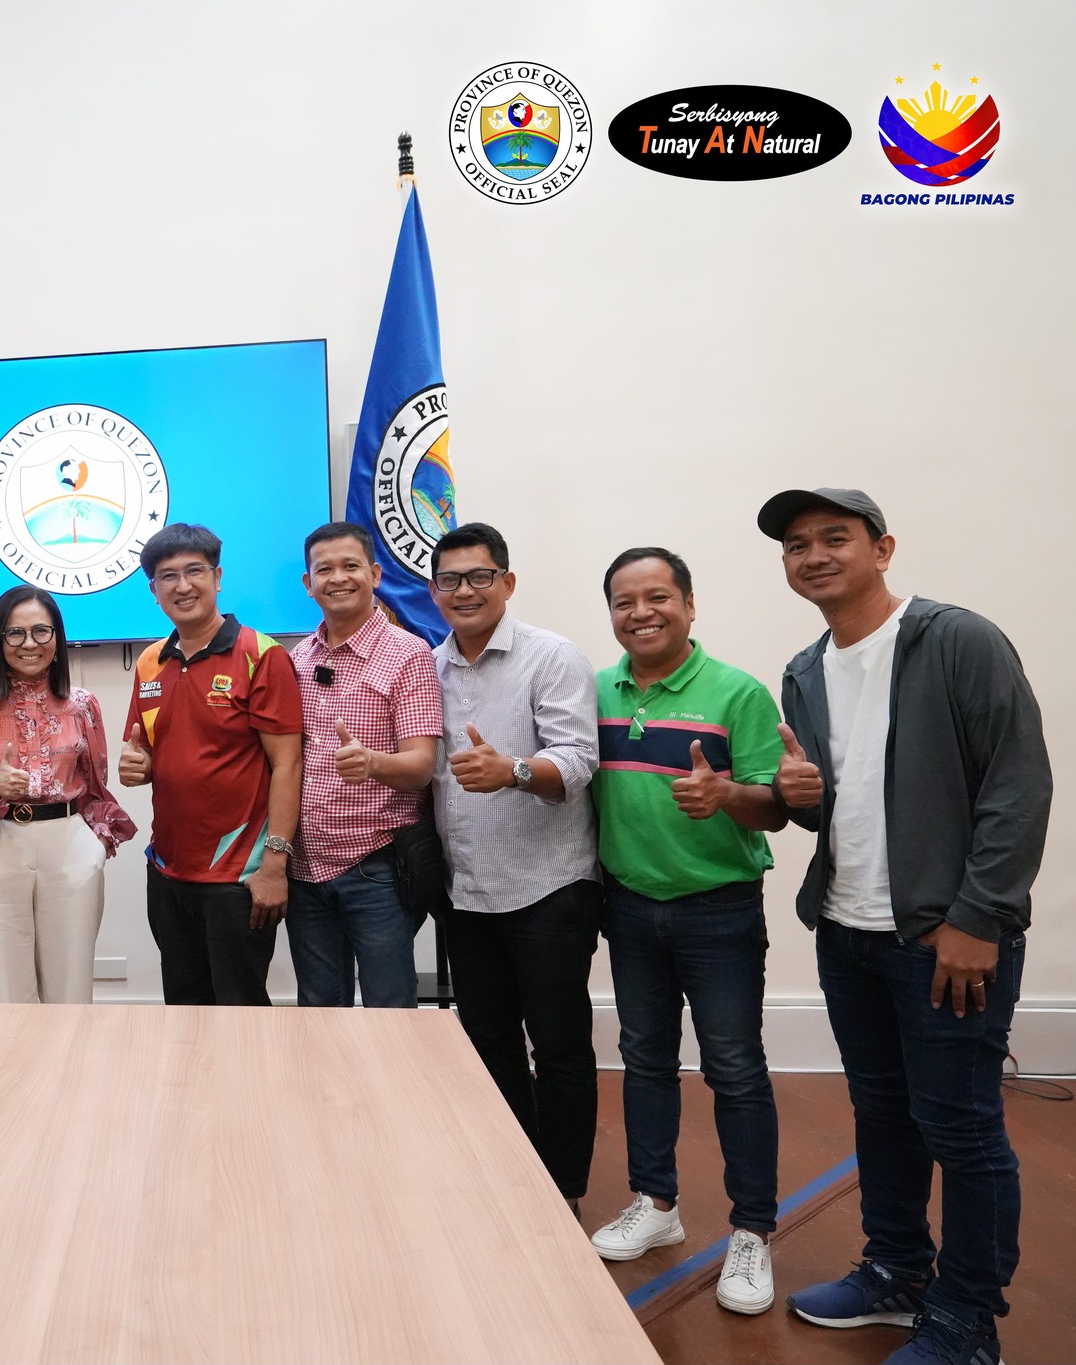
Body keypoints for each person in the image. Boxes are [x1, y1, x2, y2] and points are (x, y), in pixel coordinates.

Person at [760, 489, 1049, 1365]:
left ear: (882, 548)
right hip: (847, 931)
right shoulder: (805, 669)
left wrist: (979, 917)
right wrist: (796, 800)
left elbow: (1017, 785)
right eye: (797, 544)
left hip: (945, 936)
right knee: (882, 1112)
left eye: (834, 538)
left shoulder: (957, 639)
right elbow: (842, 810)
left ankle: (967, 1319)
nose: (813, 555)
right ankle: (896, 1270)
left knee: (960, 1127)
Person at [584, 548, 785, 1316]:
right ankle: (657, 1201)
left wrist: (726, 791)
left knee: (734, 1067)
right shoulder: (596, 690)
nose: (641, 611)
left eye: (658, 596)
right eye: (624, 600)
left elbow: (774, 807)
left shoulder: (738, 692)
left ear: (690, 604)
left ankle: (752, 1230)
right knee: (644, 1059)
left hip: (719, 909)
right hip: (629, 906)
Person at [426, 523, 602, 1210]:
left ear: (507, 581)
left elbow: (579, 762)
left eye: (479, 576)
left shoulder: (553, 658)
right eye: (450, 580)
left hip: (548, 886)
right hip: (465, 889)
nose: (464, 591)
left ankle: (563, 1189)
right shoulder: (428, 666)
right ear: (434, 590)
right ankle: (512, 1173)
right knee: (487, 1042)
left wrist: (515, 770)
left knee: (558, 1046)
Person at [120, 523, 302, 1006]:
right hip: (167, 870)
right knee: (183, 1009)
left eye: (194, 571)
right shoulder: (150, 662)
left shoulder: (261, 656)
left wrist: (276, 865)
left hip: (238, 875)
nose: (183, 586)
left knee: (241, 1014)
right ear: (153, 590)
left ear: (217, 577)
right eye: (168, 576)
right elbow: (153, 755)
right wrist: (139, 767)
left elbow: (288, 766)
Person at [0, 587, 135, 1003]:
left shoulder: (83, 704)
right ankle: (7, 1068)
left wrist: (95, 845)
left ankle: (67, 1067)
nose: (29, 644)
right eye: (15, 633)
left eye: (40, 631)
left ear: (57, 637)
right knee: (1, 987)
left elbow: (97, 786)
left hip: (69, 843)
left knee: (70, 984)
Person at [286, 522, 443, 1008]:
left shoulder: (408, 653)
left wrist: (372, 762)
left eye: (351, 566)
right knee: (318, 1008)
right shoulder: (296, 658)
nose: (338, 578)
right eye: (324, 569)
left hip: (376, 867)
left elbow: (421, 765)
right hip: (304, 866)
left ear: (374, 574)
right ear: (308, 584)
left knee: (389, 1010)